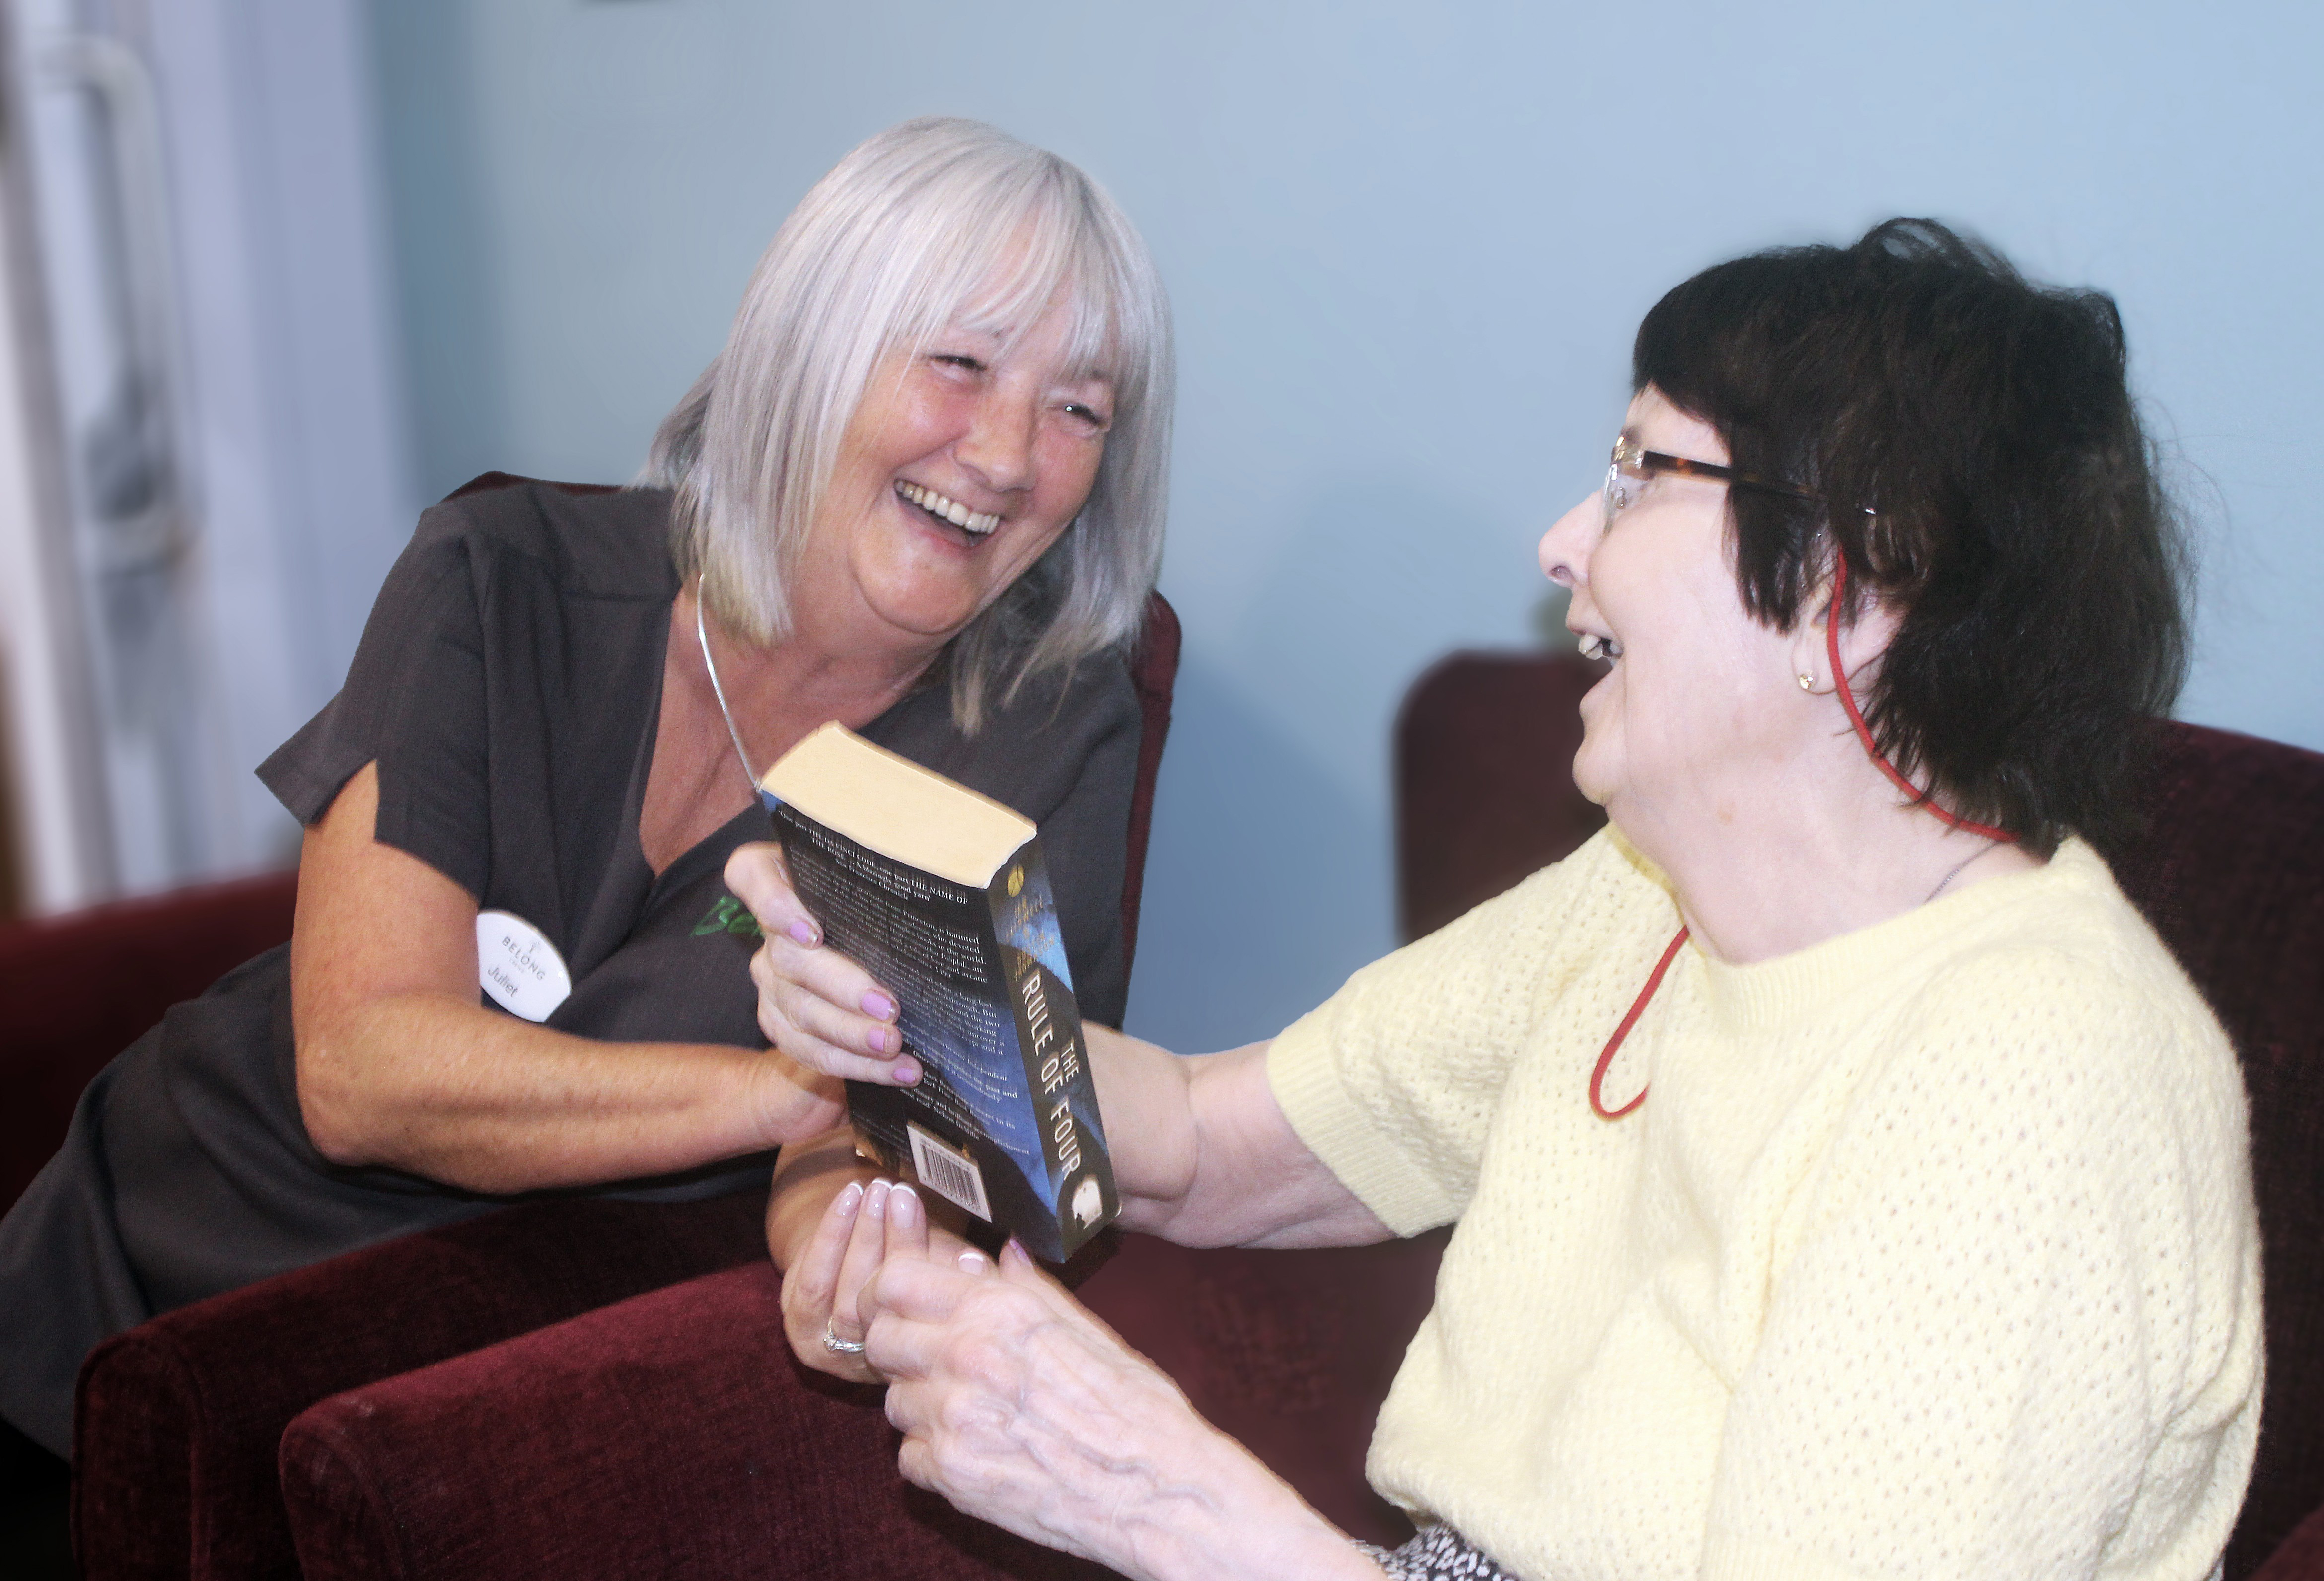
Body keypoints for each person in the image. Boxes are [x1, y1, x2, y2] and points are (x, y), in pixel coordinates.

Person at [737, 220, 2262, 1581]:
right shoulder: (1650, 894)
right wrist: (909, 998)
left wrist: (1173, 1509)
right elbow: (1204, 1146)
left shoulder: (2035, 1077)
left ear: (1851, 589)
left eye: (1641, 476)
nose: (1562, 542)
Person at [0, 115, 1174, 1461]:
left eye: (1081, 409)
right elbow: (360, 1072)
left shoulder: (1047, 731)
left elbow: (918, 1145)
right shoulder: (497, 577)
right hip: (131, 1268)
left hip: (443, 1385)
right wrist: (787, 1089)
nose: (1011, 454)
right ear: (812, 348)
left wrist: (849, 1260)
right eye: (961, 363)